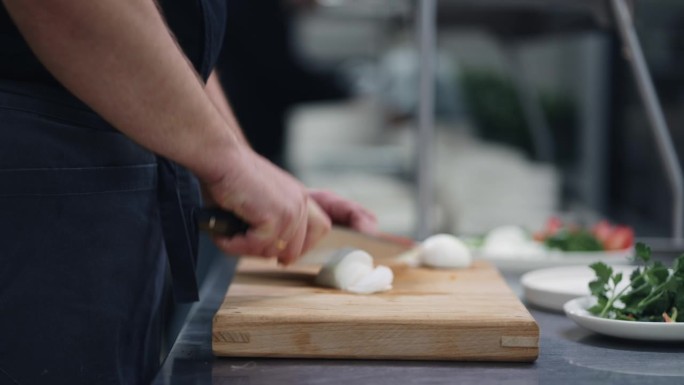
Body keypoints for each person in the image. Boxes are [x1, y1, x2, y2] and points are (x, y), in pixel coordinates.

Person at [0, 1, 376, 384]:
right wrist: (228, 162)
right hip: (35, 189)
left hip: (101, 189)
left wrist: (236, 165)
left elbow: (172, 31)